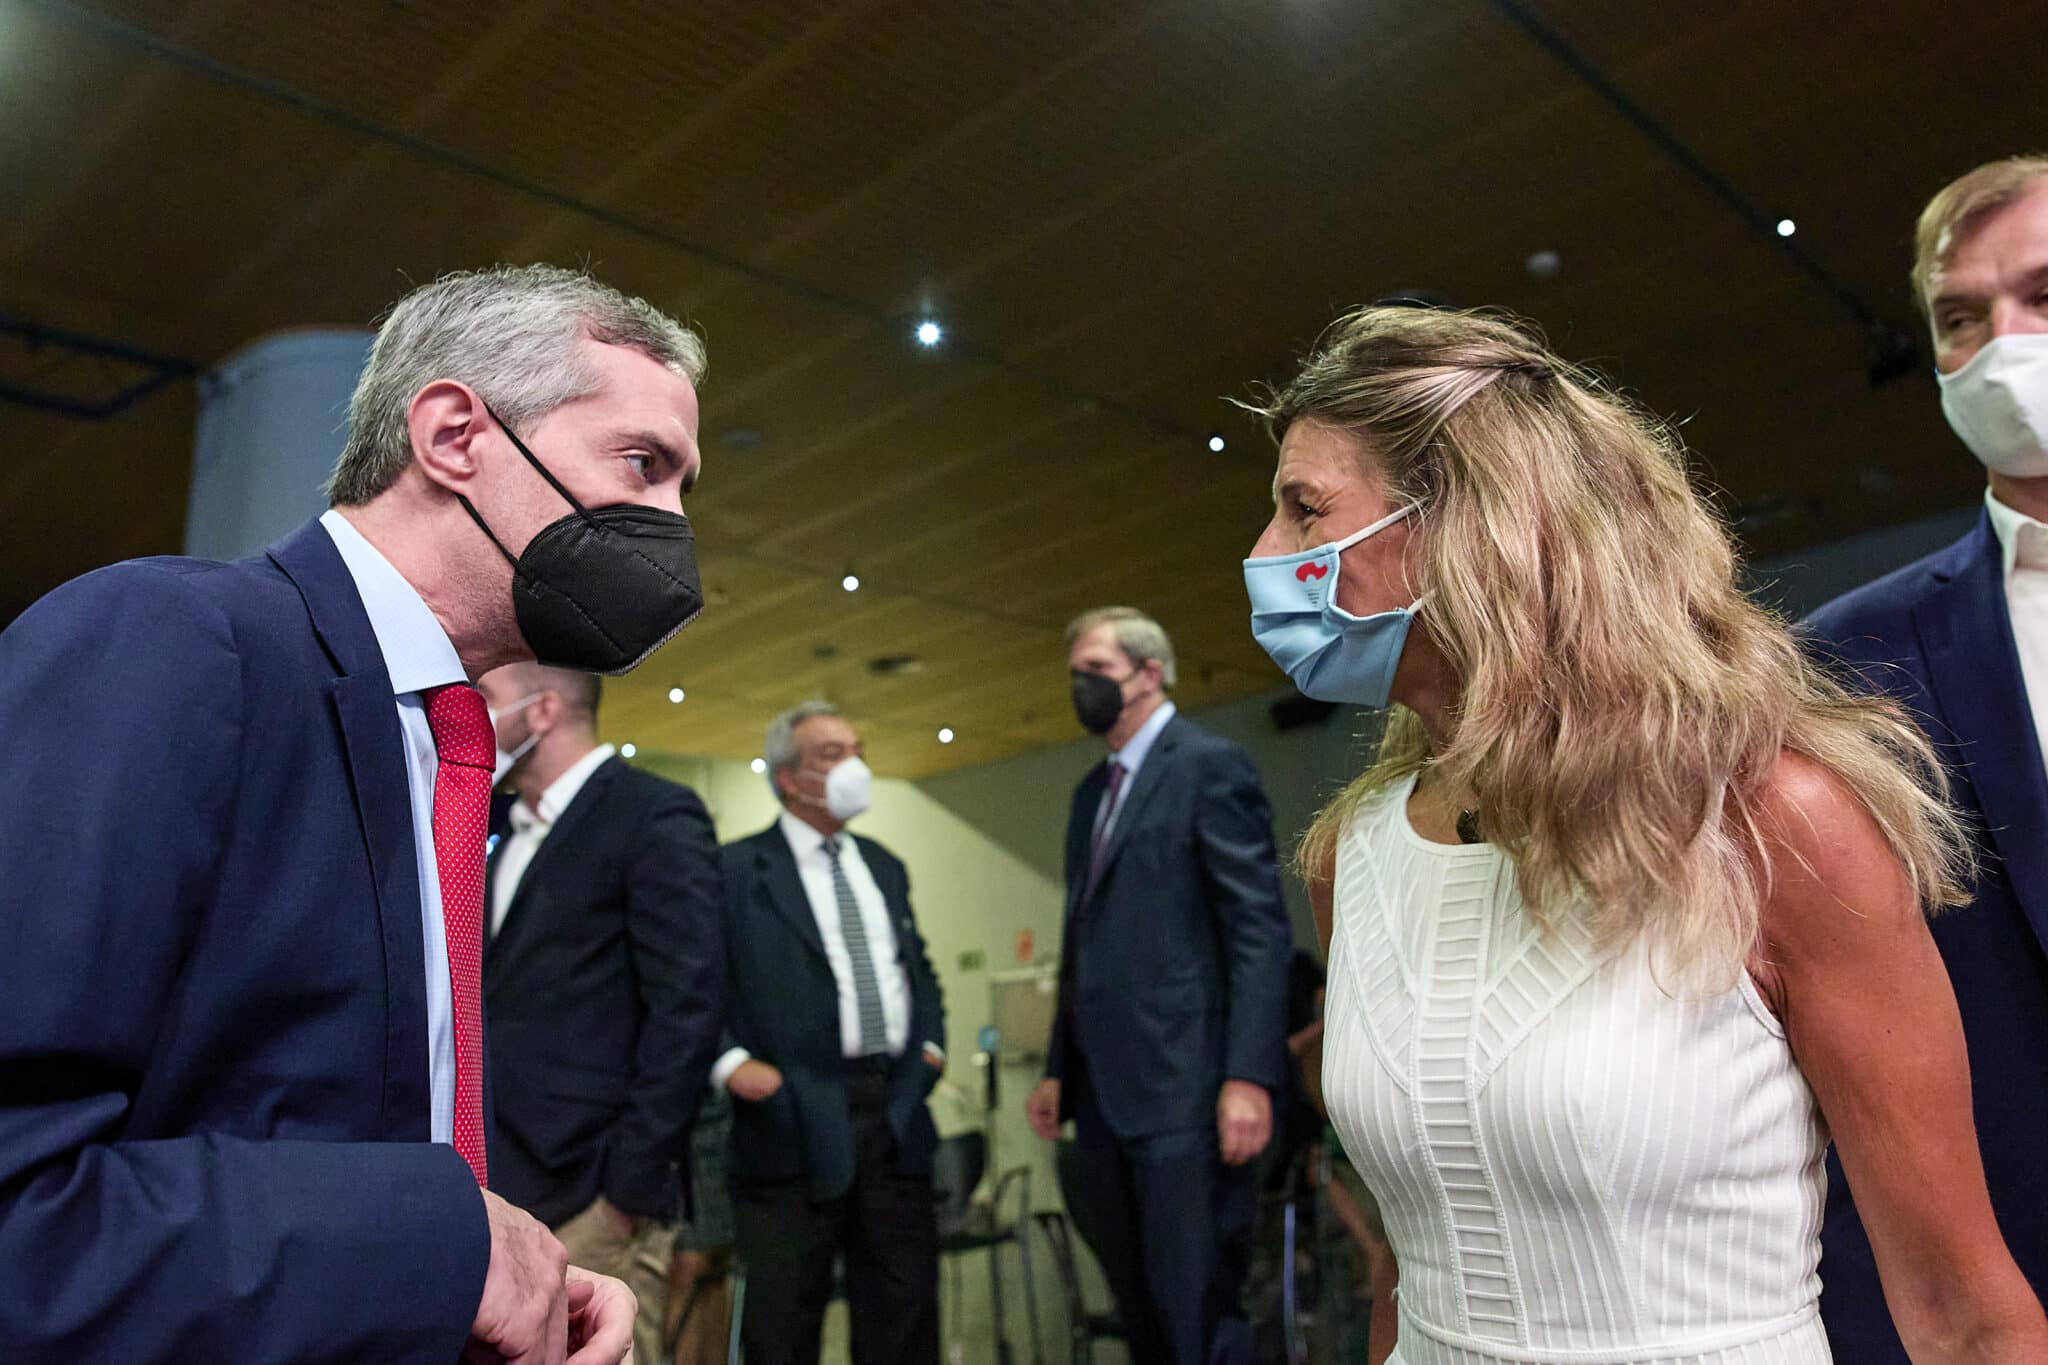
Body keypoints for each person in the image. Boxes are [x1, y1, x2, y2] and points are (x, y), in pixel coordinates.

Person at [1242, 304, 2047, 1364]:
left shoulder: (1773, 827)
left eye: (1304, 509)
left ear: (1471, 523)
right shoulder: (1353, 856)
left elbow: (1960, 1313)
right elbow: (1408, 1263)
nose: (1265, 555)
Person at [0, 263, 708, 1362]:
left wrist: (505, 1279)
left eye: (682, 487)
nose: (671, 522)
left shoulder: (437, 743)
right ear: (453, 436)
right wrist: (437, 1248)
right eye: (642, 463)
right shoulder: (172, 643)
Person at [1802, 154, 2048, 1361]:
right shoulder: (1845, 663)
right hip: (1980, 1287)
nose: (2001, 343)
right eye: (1959, 318)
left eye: (2043, 297)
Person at [1025, 606, 1293, 1365]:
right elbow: (1080, 941)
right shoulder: (1090, 795)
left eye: (1098, 672)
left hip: (1188, 1089)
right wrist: (1056, 1067)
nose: (1083, 687)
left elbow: (1257, 932)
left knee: (1196, 1306)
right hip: (1105, 1099)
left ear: (1150, 673)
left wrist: (1247, 1075)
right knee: (1139, 1309)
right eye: (1076, 673)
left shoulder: (1209, 764)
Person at [480, 661, 727, 1364]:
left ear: (544, 710)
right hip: (510, 1181)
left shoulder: (652, 813)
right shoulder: (506, 830)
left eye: (488, 697)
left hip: (596, 1192)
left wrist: (626, 1190)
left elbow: (689, 1005)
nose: (468, 710)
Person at [713, 701, 947, 1365]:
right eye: (831, 753)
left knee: (904, 1320)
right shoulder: (736, 871)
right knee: (783, 1326)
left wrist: (929, 1049)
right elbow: (694, 985)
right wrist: (729, 1062)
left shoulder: (885, 865)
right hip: (788, 1122)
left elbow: (918, 971)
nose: (854, 765)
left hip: (894, 1118)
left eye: (858, 747)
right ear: (788, 777)